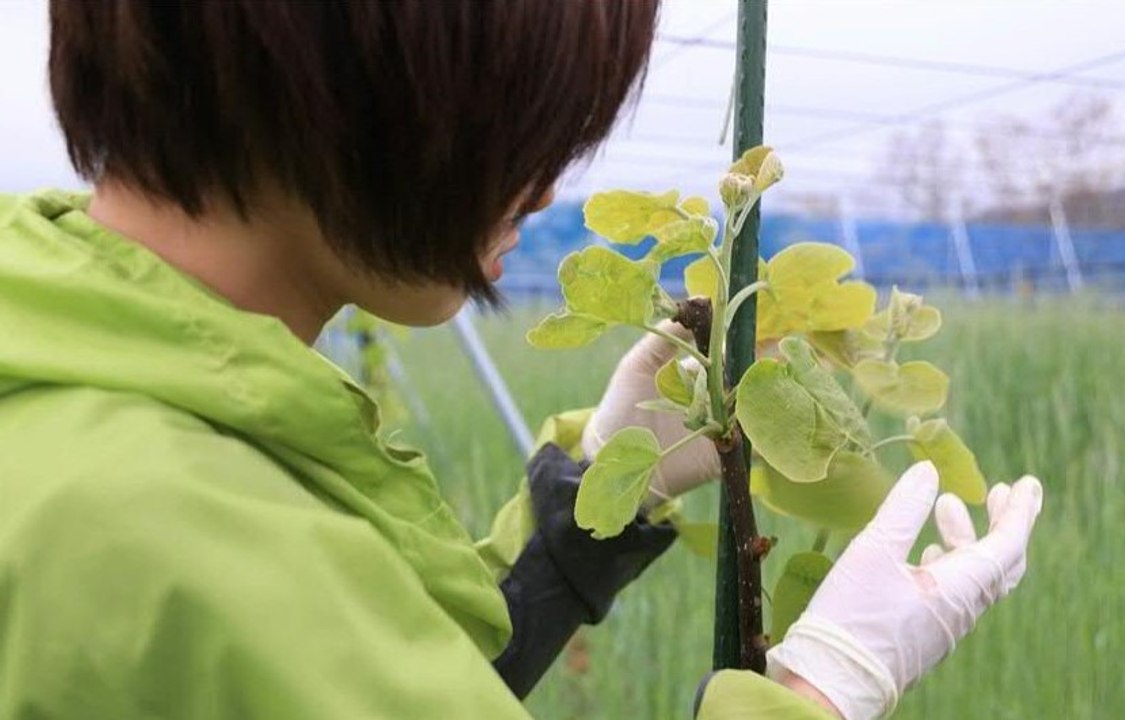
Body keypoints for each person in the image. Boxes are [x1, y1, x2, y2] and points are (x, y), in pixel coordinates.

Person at [0, 2, 1043, 718]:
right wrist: (822, 685)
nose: (542, 188)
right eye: (530, 122)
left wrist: (579, 526)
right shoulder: (160, 537)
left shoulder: (71, 386)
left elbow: (369, 676)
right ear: (356, 79)